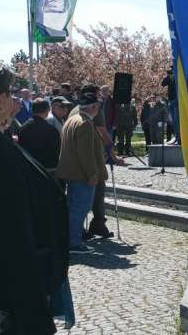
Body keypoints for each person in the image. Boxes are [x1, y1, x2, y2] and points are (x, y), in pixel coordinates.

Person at [0, 62, 70, 335]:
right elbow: (14, 234)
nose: (14, 99)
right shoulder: (1, 155)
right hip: (6, 295)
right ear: (1, 100)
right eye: (10, 93)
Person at [57, 92, 108, 254]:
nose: (99, 109)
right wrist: (92, 174)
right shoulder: (85, 123)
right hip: (81, 175)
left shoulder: (72, 119)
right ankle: (74, 243)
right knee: (79, 209)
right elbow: (86, 153)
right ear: (93, 107)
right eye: (98, 106)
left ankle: (71, 240)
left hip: (72, 173)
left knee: (74, 208)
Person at [73, 85, 117, 240]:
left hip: (77, 160)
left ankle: (82, 229)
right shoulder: (93, 111)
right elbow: (103, 134)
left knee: (81, 198)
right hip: (92, 159)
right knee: (96, 194)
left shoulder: (76, 109)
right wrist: (113, 154)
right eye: (99, 94)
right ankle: (96, 224)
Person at [18, 98, 62, 173]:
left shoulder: (22, 128)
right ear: (48, 110)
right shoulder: (51, 130)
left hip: (30, 169)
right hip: (49, 170)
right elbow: (58, 151)